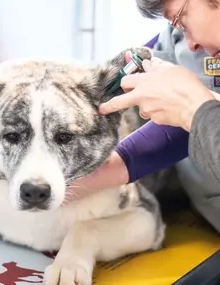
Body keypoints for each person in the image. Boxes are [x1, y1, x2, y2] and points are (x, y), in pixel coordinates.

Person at [67, 0, 220, 225]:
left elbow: (195, 115)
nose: (191, 44)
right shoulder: (177, 43)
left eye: (182, 18)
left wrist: (195, 107)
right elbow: (181, 126)